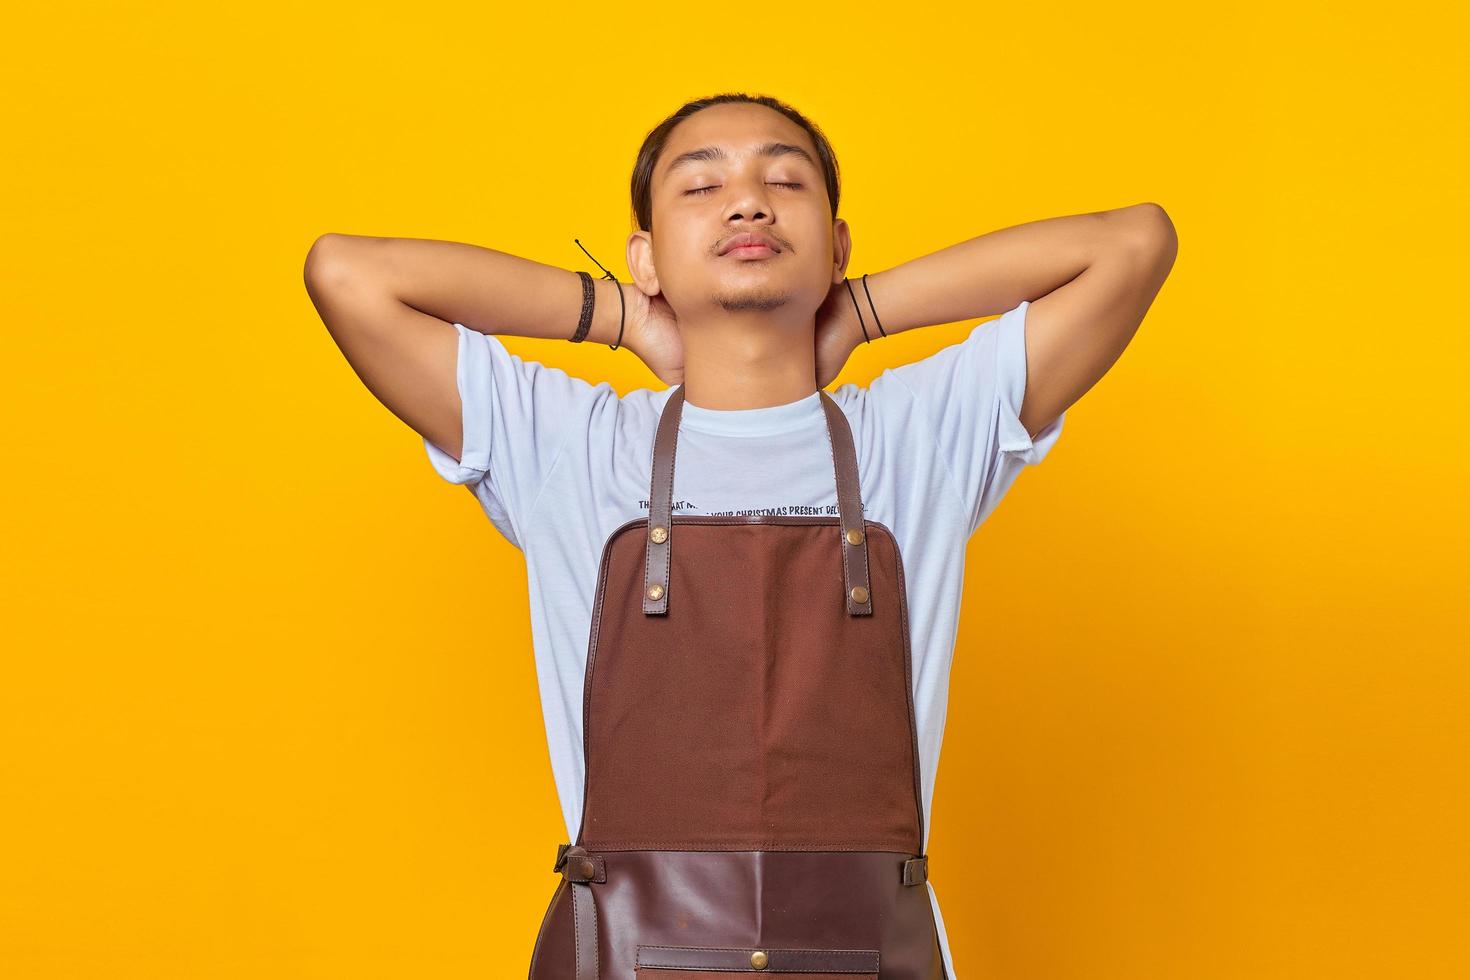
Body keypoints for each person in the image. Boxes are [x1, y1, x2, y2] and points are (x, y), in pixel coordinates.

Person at [302, 92, 1177, 978]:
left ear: (837, 242)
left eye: (785, 179)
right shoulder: (569, 446)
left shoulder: (921, 437)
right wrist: (619, 315)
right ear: (645, 254)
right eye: (701, 185)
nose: (748, 201)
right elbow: (346, 275)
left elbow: (1131, 244)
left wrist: (859, 309)